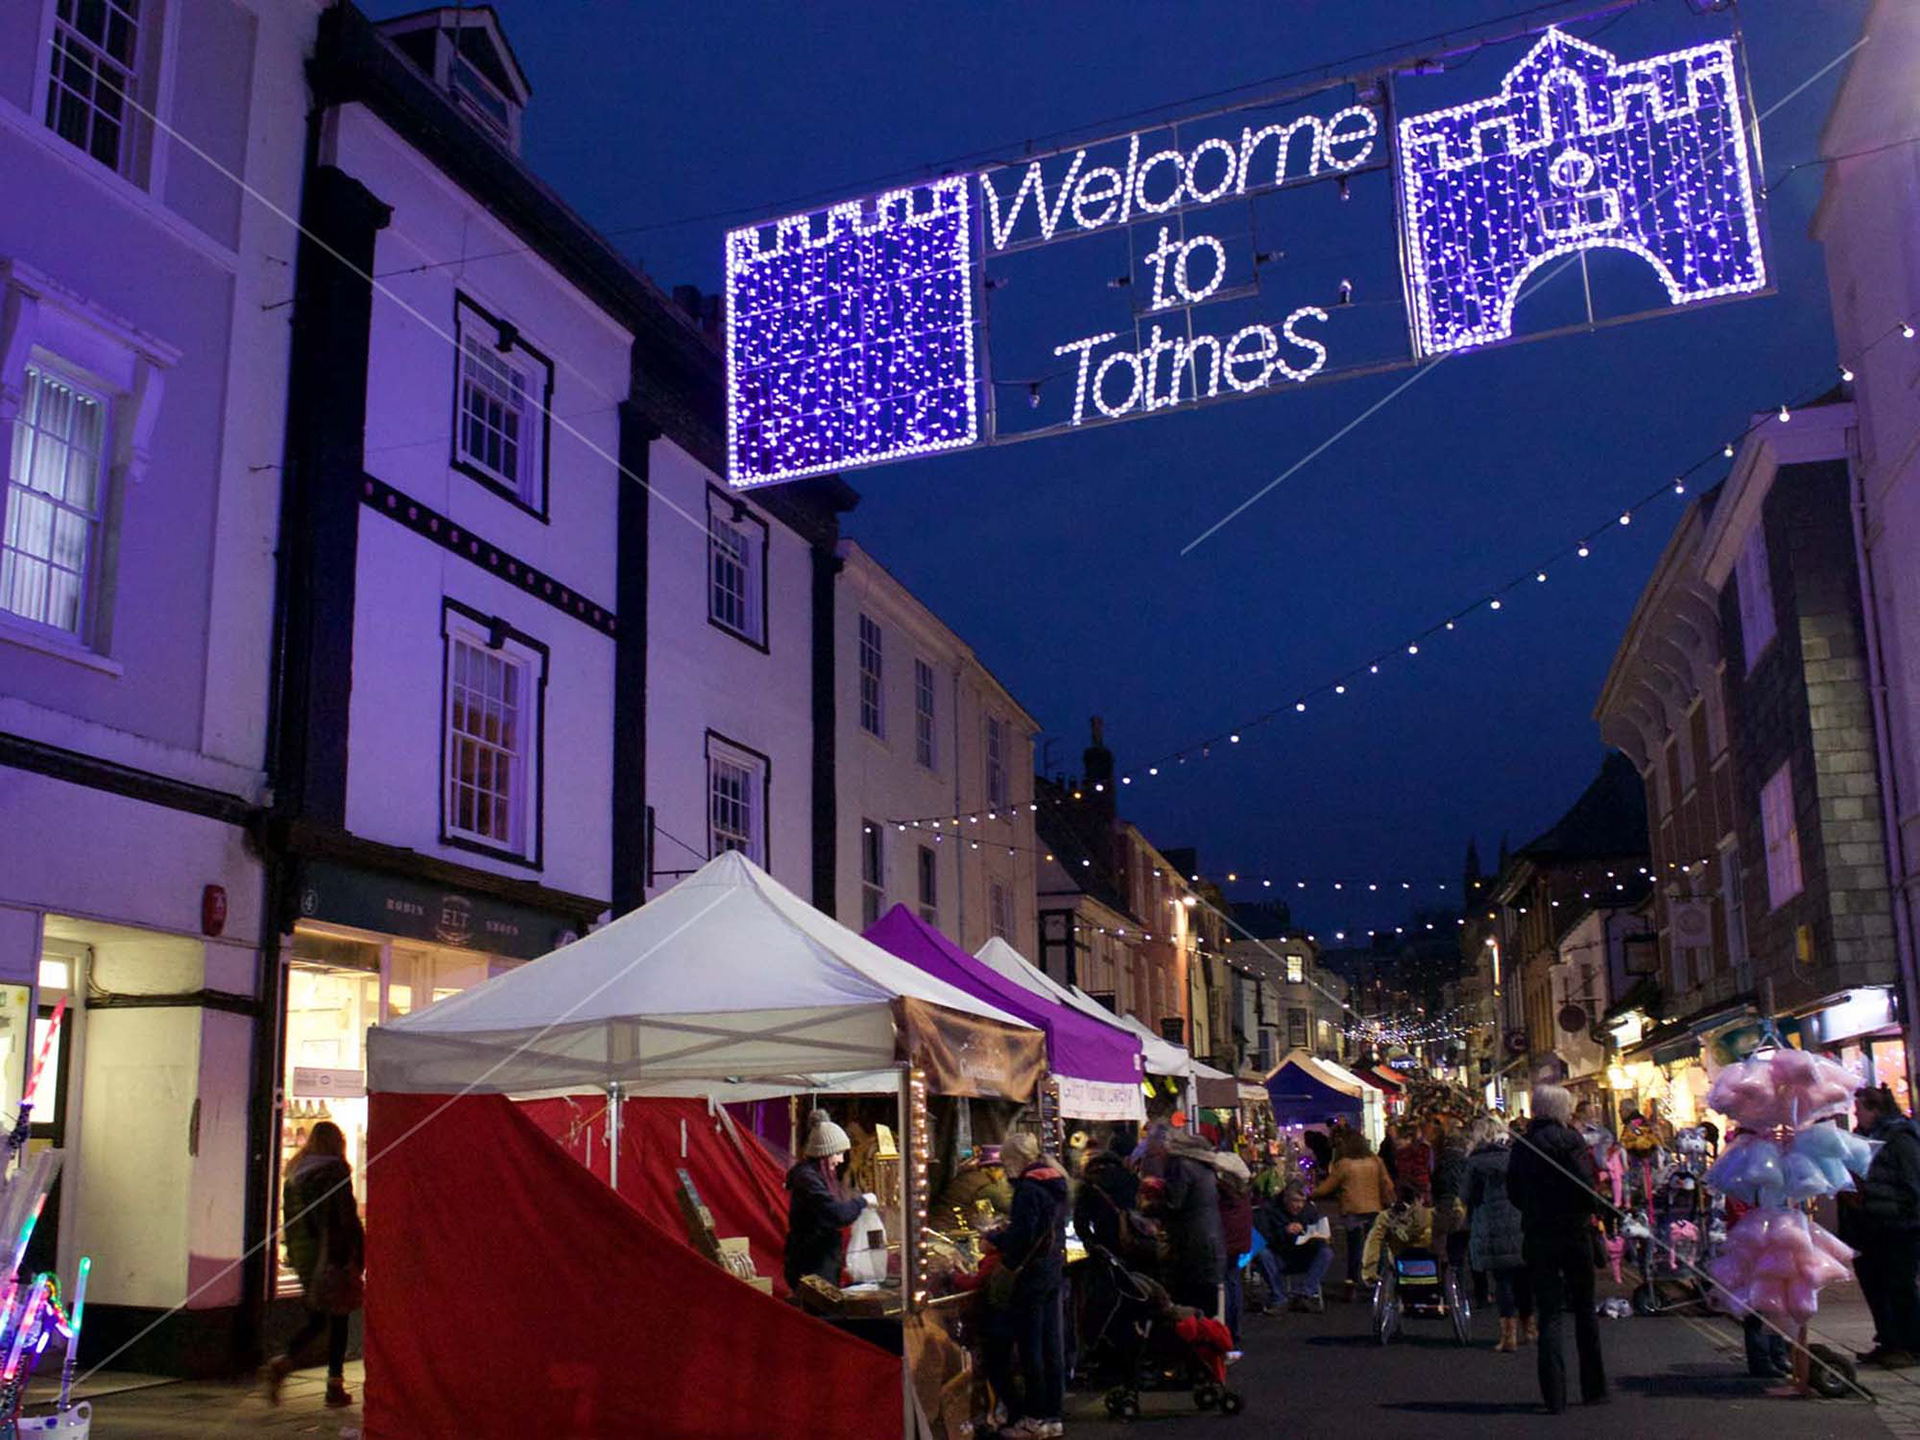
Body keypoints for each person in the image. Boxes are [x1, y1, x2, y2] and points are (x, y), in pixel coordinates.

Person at [1507, 1083, 1606, 1413]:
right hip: (1574, 1233)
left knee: (1549, 1314)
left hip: (1538, 1234)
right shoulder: (1570, 1140)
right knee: (1584, 1311)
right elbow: (1585, 1185)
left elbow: (1514, 1191)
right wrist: (1592, 1210)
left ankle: (1554, 1395)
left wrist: (1534, 1211)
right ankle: (1593, 1387)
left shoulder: (1522, 1144)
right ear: (1561, 1109)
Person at [265, 1121, 365, 1408]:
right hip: (333, 1255)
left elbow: (294, 1223)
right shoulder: (334, 1172)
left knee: (319, 1318)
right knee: (339, 1318)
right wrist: (355, 1255)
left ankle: (285, 1362)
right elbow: (344, 1219)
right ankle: (334, 1386)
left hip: (305, 1258)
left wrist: (296, 1257)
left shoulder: (295, 1174)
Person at [983, 1132, 1069, 1440]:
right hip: (1053, 1271)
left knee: (1031, 1348)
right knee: (1052, 1346)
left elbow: (1022, 1239)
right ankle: (1052, 1416)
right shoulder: (1056, 1182)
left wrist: (995, 1237)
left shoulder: (1028, 1190)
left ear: (1015, 1160)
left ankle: (1033, 1418)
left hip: (1031, 1277)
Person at [1852, 1085, 1920, 1367]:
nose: (1855, 1114)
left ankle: (1911, 1345)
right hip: (1870, 1225)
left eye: (1859, 1109)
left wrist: (1906, 1216)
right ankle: (1888, 1341)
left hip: (1899, 1226)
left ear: (1875, 1110)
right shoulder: (1862, 1137)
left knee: (1900, 1286)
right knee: (1875, 1284)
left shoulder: (1900, 1138)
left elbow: (1914, 1180)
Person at [784, 1108, 875, 1290]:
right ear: (825, 1153)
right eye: (838, 1153)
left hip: (820, 1264)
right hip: (811, 1266)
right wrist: (862, 1201)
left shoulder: (814, 1177)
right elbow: (836, 1214)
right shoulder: (807, 1180)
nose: (841, 1160)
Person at [1464, 1115, 1532, 1352]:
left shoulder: (1474, 1163)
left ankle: (1508, 1335)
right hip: (1517, 1222)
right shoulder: (1513, 1157)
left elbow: (1466, 1196)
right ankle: (1530, 1326)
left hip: (1490, 1226)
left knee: (1502, 1280)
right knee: (1523, 1276)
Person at [1313, 1129, 1392, 1301]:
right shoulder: (1376, 1161)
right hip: (1375, 1208)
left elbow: (1328, 1186)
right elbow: (1386, 1183)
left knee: (1354, 1247)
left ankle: (1352, 1282)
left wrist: (1311, 1194)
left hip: (1352, 1210)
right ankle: (1378, 1282)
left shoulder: (1344, 1164)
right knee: (1376, 1247)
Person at [1156, 1126, 1226, 1315]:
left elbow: (1174, 1202)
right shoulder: (1204, 1164)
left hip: (1190, 1242)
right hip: (1210, 1239)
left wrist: (1153, 1200)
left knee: (1187, 1308)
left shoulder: (1179, 1164)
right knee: (1207, 1308)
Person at [1073, 1132, 1140, 1257]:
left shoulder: (1090, 1180)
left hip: (1104, 1246)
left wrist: (1091, 1244)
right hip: (1133, 1245)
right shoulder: (1131, 1179)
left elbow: (1080, 1222)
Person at [1268, 1181, 1333, 1310]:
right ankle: (1280, 1297)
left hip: (1303, 1253)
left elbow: (1316, 1231)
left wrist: (1321, 1238)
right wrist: (1284, 1230)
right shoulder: (1272, 1209)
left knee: (1326, 1252)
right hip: (1280, 1255)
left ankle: (1303, 1294)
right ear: (1286, 1199)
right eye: (1295, 1201)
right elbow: (1265, 1235)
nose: (1299, 1205)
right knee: (1263, 1253)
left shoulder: (1309, 1210)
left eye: (1302, 1201)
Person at [1429, 1118, 1471, 1279]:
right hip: (1462, 1204)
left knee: (1449, 1247)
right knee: (1461, 1246)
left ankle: (1450, 1281)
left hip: (1446, 1204)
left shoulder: (1442, 1160)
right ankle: (1459, 1281)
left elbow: (1436, 1182)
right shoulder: (1466, 1160)